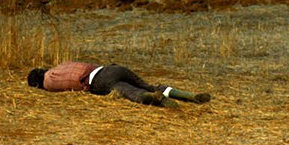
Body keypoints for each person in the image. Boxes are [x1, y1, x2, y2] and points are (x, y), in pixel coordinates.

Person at [27, 60, 210, 107]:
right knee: (147, 85)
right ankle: (188, 95)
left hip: (100, 81)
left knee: (130, 92)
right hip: (112, 68)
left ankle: (154, 99)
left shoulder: (48, 83)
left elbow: (70, 85)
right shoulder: (61, 65)